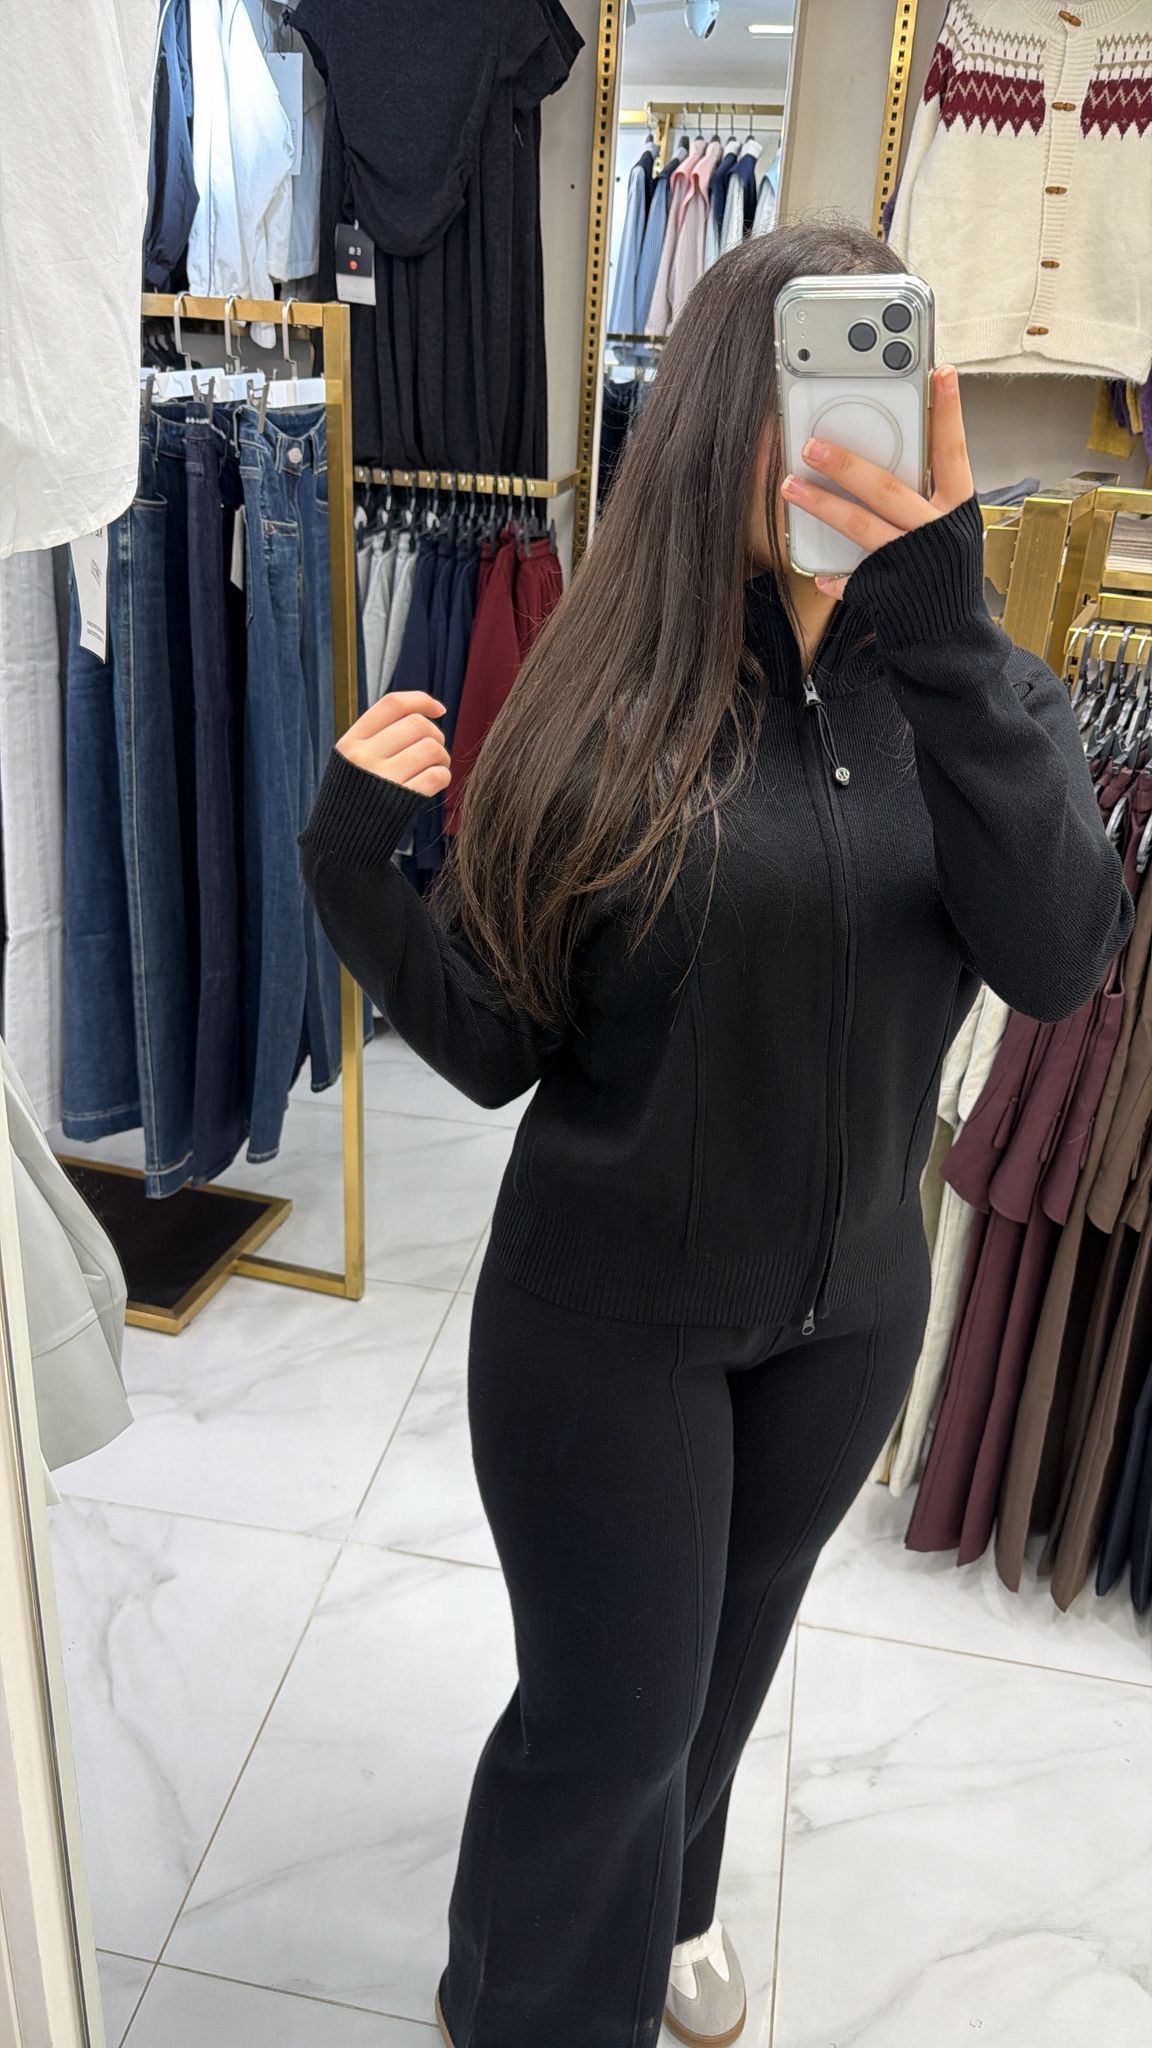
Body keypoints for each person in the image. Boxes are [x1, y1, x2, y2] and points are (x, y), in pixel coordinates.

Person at [299, 221, 1131, 2048]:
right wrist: (355, 874)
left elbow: (1064, 955)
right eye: (798, 398)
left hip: (848, 1318)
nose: (835, 443)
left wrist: (948, 620)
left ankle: (667, 1914)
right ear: (710, 431)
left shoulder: (978, 703)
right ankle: (523, 2003)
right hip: (609, 1332)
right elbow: (495, 1049)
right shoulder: (604, 703)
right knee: (608, 1726)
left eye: (876, 390)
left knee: (723, 1681)